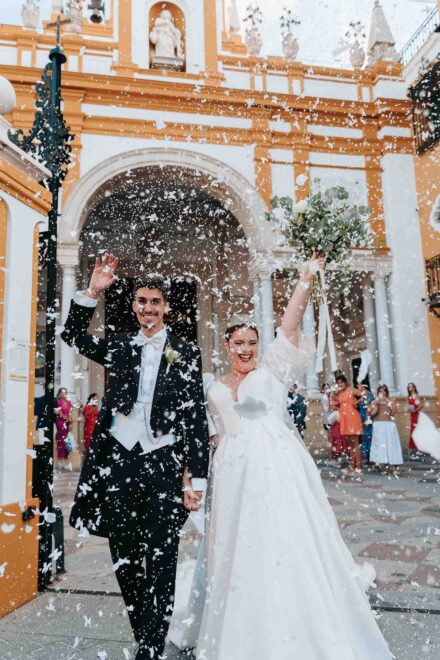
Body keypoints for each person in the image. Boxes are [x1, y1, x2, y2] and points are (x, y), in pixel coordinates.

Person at [170, 256, 391, 659]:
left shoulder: (271, 370)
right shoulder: (213, 385)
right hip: (231, 473)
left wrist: (305, 279)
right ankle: (240, 623)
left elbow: (290, 323)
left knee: (277, 539)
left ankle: (288, 622)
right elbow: (204, 436)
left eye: (252, 343)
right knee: (235, 546)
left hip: (273, 469)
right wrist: (190, 479)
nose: (246, 350)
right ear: (226, 345)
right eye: (239, 343)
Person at [61, 254, 209, 660]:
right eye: (141, 301)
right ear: (133, 306)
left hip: (162, 463)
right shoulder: (121, 346)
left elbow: (196, 414)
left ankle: (150, 647)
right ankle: (146, 632)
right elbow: (72, 336)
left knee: (161, 556)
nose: (148, 308)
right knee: (124, 557)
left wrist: (197, 480)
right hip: (120, 462)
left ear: (166, 307)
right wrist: (92, 291)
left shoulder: (186, 352)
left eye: (155, 302)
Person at [369, 385, 403, 474]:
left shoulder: (391, 399)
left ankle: (397, 467)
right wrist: (375, 403)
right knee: (382, 446)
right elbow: (369, 411)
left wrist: (387, 401)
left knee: (392, 445)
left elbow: (395, 410)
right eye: (380, 391)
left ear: (386, 391)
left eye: (384, 391)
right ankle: (385, 467)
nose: (382, 393)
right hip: (378, 424)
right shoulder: (376, 400)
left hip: (389, 424)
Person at [336, 374, 364, 474]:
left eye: (342, 382)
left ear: (345, 382)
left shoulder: (351, 390)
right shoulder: (339, 393)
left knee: (355, 443)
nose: (340, 384)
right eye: (338, 383)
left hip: (352, 417)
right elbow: (335, 404)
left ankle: (359, 466)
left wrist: (357, 402)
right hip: (345, 418)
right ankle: (353, 465)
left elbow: (363, 394)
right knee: (350, 444)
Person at [54, 387, 72, 470]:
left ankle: (64, 461)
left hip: (67, 422)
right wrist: (65, 417)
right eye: (62, 393)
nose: (64, 394)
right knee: (61, 440)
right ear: (59, 394)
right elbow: (59, 411)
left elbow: (70, 413)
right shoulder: (58, 401)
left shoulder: (68, 402)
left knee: (66, 441)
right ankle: (61, 461)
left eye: (65, 393)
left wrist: (70, 422)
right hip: (60, 422)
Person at [357, 383, 374, 464]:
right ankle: (367, 458)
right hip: (361, 417)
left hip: (367, 417)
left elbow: (370, 407)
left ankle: (371, 458)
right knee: (364, 438)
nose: (358, 387)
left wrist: (367, 419)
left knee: (369, 437)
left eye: (359, 385)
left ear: (364, 385)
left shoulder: (369, 394)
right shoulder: (360, 395)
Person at [407, 382, 423, 452]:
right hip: (412, 415)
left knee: (415, 430)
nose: (410, 388)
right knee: (412, 430)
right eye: (408, 386)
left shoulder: (416, 395)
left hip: (416, 415)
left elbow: (420, 405)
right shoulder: (409, 396)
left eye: (411, 386)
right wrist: (408, 409)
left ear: (414, 387)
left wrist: (415, 410)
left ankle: (417, 447)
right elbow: (410, 405)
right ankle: (413, 447)